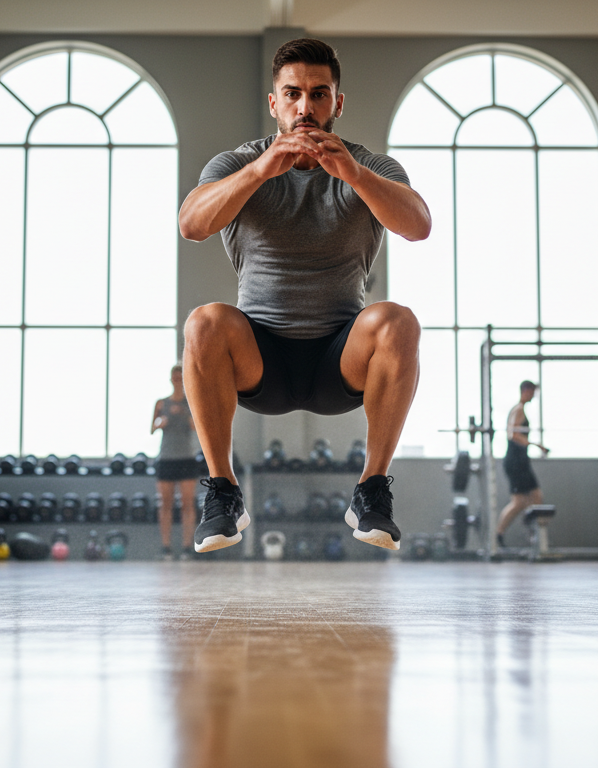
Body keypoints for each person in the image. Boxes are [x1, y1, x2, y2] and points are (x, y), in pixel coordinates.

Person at [178, 38, 432, 553]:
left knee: (397, 320)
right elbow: (191, 224)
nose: (305, 107)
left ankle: (371, 490)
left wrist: (354, 176)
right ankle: (223, 493)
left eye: (319, 94)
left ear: (337, 103)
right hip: (260, 360)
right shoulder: (237, 163)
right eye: (292, 94)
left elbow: (419, 226)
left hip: (339, 362)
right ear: (274, 103)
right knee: (205, 321)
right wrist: (260, 171)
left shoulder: (369, 167)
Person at [151, 364, 199, 559]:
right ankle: (166, 547)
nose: (178, 380)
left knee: (188, 504)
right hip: (166, 458)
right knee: (165, 504)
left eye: (181, 377)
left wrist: (187, 415)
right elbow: (152, 428)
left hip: (186, 458)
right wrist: (160, 423)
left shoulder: (192, 402)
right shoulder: (161, 403)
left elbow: (198, 428)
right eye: (175, 377)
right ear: (171, 379)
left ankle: (187, 546)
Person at [495, 380, 549, 547]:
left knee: (533, 498)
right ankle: (500, 534)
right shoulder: (518, 410)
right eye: (532, 392)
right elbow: (513, 434)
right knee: (523, 501)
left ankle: (537, 537)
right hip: (516, 461)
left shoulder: (519, 410)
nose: (533, 396)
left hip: (519, 461)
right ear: (525, 391)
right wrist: (535, 445)